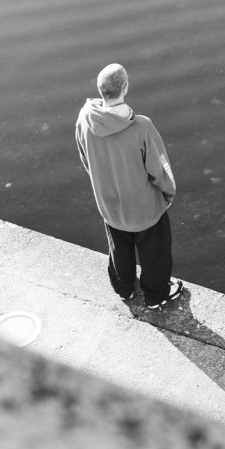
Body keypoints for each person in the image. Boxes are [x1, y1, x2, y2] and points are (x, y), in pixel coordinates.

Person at [75, 63, 183, 309]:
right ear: (125, 87)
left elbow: (85, 157)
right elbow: (160, 168)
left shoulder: (84, 119)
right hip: (144, 209)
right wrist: (168, 194)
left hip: (109, 206)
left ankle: (124, 290)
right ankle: (156, 296)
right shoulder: (141, 127)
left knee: (119, 248)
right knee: (155, 254)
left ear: (100, 90)